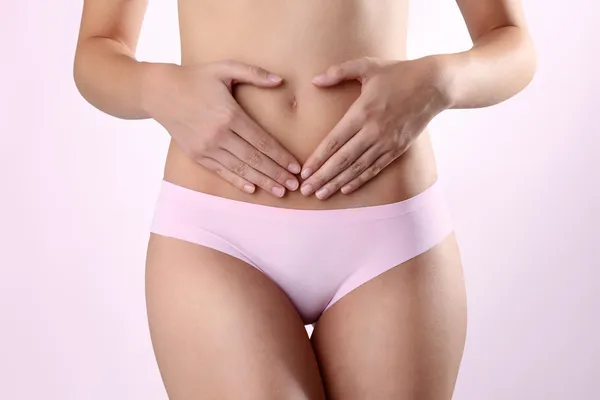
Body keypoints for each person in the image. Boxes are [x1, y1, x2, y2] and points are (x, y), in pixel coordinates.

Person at [73, 0, 536, 398]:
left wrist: (440, 80)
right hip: (216, 239)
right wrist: (158, 89)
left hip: (390, 239)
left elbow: (512, 42)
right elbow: (97, 50)